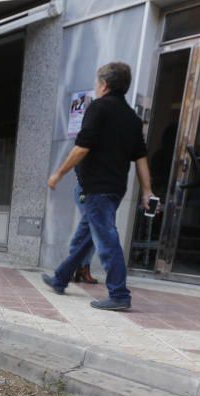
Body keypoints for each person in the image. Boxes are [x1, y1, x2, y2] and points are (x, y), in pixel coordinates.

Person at [43, 62, 155, 311]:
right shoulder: (133, 119)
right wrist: (147, 191)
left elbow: (83, 146)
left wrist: (58, 174)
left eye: (96, 83)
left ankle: (119, 294)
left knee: (106, 240)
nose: (95, 87)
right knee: (85, 238)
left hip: (96, 188)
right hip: (115, 188)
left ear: (104, 84)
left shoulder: (98, 108)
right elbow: (141, 159)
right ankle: (61, 278)